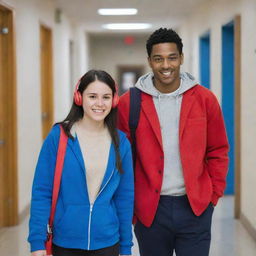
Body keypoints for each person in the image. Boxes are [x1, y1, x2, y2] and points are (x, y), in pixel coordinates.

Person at [117, 28, 229, 256]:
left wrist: (213, 196)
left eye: (172, 57)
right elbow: (121, 158)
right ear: (149, 61)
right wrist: (132, 208)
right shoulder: (130, 103)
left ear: (181, 58)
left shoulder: (204, 99)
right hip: (150, 210)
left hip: (195, 207)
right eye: (158, 59)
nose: (166, 65)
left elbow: (218, 149)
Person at [28, 70, 134, 256]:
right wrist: (37, 242)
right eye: (92, 96)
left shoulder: (121, 142)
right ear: (79, 97)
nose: (100, 104)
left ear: (114, 101)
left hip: (108, 243)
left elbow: (124, 199)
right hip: (65, 242)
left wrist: (126, 248)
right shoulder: (59, 137)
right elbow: (42, 190)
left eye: (106, 97)